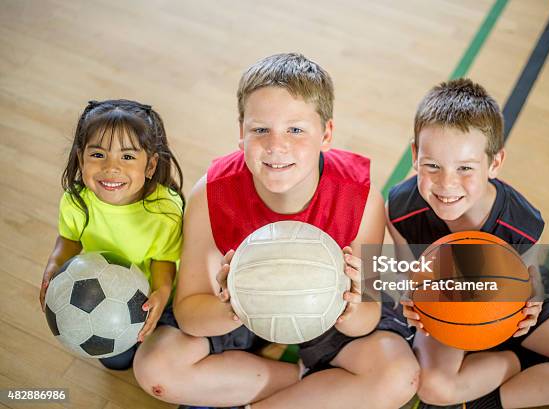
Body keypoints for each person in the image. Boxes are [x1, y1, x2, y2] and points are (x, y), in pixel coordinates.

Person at [133, 53, 419, 409]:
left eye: (296, 129)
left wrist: (352, 306)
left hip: (326, 315)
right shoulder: (212, 193)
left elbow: (365, 322)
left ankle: (258, 399)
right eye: (260, 129)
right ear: (241, 133)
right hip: (239, 311)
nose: (276, 145)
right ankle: (308, 383)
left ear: (326, 134)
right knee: (155, 368)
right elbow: (190, 310)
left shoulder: (359, 199)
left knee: (398, 375)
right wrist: (234, 306)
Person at [387, 78, 549, 408]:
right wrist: (409, 296)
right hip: (448, 304)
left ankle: (491, 393)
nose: (446, 183)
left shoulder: (518, 220)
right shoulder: (402, 208)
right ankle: (516, 363)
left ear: (494, 163)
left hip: (508, 297)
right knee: (433, 388)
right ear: (415, 154)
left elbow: (531, 278)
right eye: (432, 165)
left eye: (465, 168)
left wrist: (532, 301)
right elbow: (405, 274)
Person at [39, 99, 184, 370]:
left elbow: (164, 259)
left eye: (127, 157)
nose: (111, 167)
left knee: (167, 344)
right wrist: (54, 265)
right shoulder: (77, 201)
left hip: (155, 294)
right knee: (117, 362)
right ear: (81, 157)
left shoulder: (165, 210)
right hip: (100, 297)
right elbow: (69, 240)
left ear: (150, 166)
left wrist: (163, 292)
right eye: (98, 155)